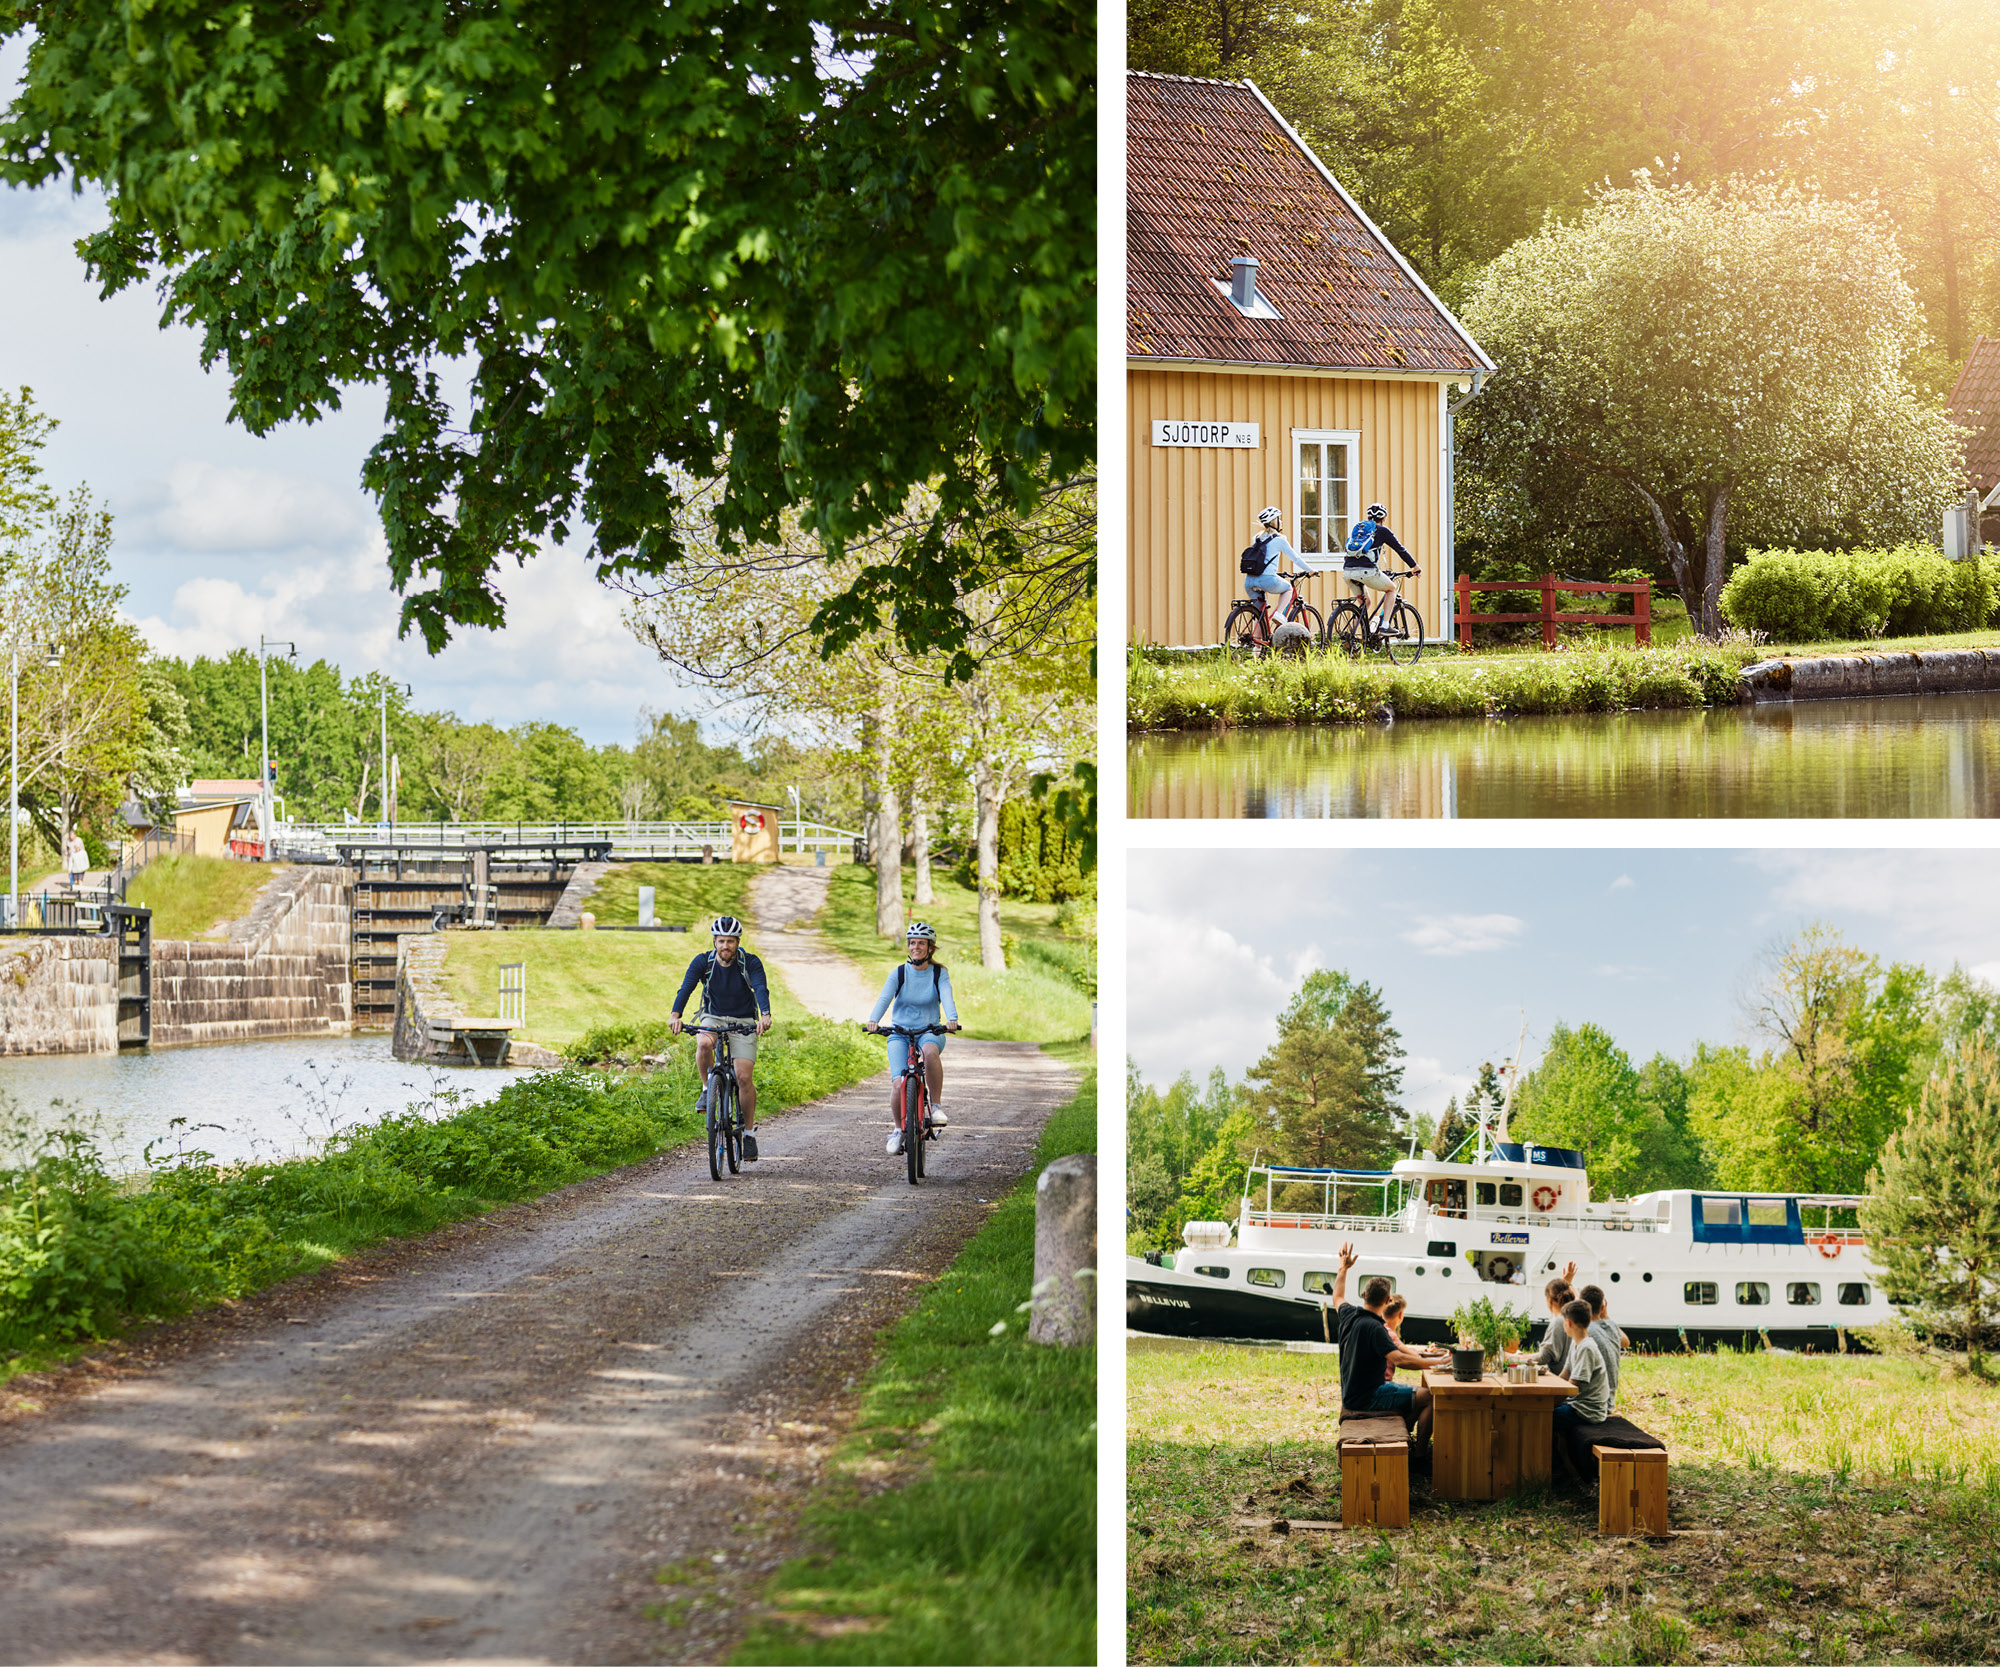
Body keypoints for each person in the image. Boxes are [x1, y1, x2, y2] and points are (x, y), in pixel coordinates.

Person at [669, 916, 774, 1161]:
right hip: (712, 1015)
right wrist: (675, 1015)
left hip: (744, 1020)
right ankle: (707, 1088)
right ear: (714, 942)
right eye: (721, 941)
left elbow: (760, 988)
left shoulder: (750, 962)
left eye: (730, 941)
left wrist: (765, 1014)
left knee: (743, 1076)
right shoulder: (702, 962)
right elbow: (686, 988)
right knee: (704, 1042)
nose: (725, 946)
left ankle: (748, 1134)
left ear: (738, 942)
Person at [1329, 1243, 1437, 1454]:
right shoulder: (1376, 1328)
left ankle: (1405, 1440)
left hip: (1352, 1394)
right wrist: (1437, 1363)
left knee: (1411, 1393)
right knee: (1430, 1397)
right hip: (1368, 1398)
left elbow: (1337, 1297)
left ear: (1364, 1295)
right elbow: (1400, 1360)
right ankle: (1420, 1455)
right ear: (1388, 1301)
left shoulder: (1349, 1314)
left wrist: (1343, 1269)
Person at [864, 922, 961, 1155]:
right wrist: (873, 1020)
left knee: (929, 1052)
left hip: (930, 1030)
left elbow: (946, 996)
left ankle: (936, 1106)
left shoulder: (939, 973)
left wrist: (952, 1019)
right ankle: (898, 1130)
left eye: (921, 943)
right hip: (900, 1032)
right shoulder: (899, 972)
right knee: (898, 1083)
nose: (916, 947)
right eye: (912, 943)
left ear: (930, 948)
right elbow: (884, 998)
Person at [1550, 1298, 1612, 1462]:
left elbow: (1572, 1387)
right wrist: (1549, 1389)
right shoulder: (1576, 1343)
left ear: (1568, 1323)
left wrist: (1550, 1402)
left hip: (1587, 1411)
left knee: (1542, 1418)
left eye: (1563, 1322)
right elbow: (1565, 1374)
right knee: (1543, 1412)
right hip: (1577, 1405)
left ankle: (1557, 1470)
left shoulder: (1587, 1348)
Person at [1340, 502, 1416, 636]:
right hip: (1366, 571)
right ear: (1384, 518)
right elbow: (1401, 550)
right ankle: (1385, 625)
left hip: (1347, 572)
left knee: (1365, 603)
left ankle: (1350, 635)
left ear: (1368, 517)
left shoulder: (1358, 530)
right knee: (1391, 589)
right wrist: (1415, 566)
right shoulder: (1382, 531)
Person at [1241, 506, 1304, 624]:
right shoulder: (1280, 540)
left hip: (1249, 581)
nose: (1281, 521)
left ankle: (1257, 641)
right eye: (1279, 519)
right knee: (1288, 589)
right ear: (1274, 522)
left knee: (1260, 616)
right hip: (1267, 580)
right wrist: (1311, 570)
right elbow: (1296, 559)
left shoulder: (1257, 538)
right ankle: (1279, 614)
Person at [1578, 1284, 1631, 1409]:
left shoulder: (1584, 1331)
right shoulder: (1611, 1326)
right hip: (1608, 1403)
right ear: (1602, 1307)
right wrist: (1605, 1315)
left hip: (1589, 1405)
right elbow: (1626, 1343)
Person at [1534, 1273, 1577, 1373]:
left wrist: (1514, 1358)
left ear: (1550, 1300)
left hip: (1559, 1380)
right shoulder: (1575, 1317)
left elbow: (1544, 1357)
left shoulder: (1558, 1321)